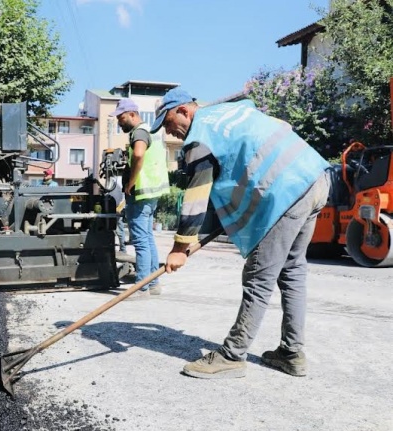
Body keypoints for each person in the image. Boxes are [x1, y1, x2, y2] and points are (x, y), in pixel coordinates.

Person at [154, 87, 330, 379]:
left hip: (285, 191)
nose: (170, 133)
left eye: (170, 123)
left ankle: (233, 355)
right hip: (314, 177)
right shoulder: (233, 109)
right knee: (292, 270)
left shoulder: (199, 138)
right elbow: (277, 130)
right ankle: (291, 352)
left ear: (184, 110)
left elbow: (197, 194)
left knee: (258, 277)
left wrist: (180, 247)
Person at [109, 98, 170, 298]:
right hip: (152, 192)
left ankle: (141, 287)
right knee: (148, 239)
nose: (119, 122)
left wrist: (130, 182)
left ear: (133, 114)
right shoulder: (151, 130)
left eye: (121, 117)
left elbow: (138, 155)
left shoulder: (140, 132)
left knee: (141, 241)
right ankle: (153, 284)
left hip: (142, 192)